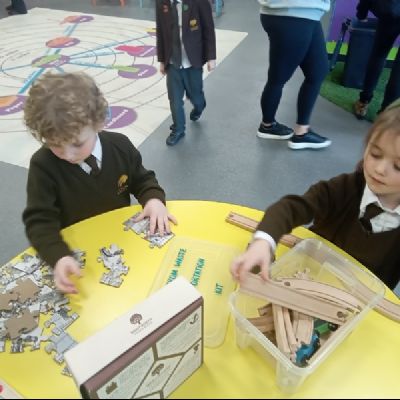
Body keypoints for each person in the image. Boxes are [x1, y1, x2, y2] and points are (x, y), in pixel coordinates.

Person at [22, 72, 177, 294]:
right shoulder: (42, 165)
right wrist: (58, 257)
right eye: (55, 145)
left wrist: (153, 199)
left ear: (99, 122)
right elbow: (39, 221)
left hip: (122, 243)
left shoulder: (120, 145)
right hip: (76, 256)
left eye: (77, 144)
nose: (68, 154)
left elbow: (142, 179)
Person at [231, 100, 400, 290]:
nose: (379, 169)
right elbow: (292, 208)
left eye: (398, 166)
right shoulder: (347, 187)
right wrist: (264, 241)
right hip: (303, 275)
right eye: (375, 154)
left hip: (357, 298)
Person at [257, 0, 331, 150]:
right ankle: (268, 125)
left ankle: (301, 131)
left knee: (318, 71)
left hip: (305, 13)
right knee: (278, 76)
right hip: (293, 12)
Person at [155, 0, 216, 146]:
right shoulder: (162, 2)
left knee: (196, 97)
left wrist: (211, 57)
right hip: (173, 61)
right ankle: (178, 129)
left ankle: (199, 106)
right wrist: (162, 60)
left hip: (192, 61)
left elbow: (208, 29)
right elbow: (160, 31)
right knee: (175, 99)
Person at [353, 0, 400, 119]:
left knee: (378, 55)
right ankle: (386, 114)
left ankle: (363, 101)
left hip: (392, 11)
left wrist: (362, 12)